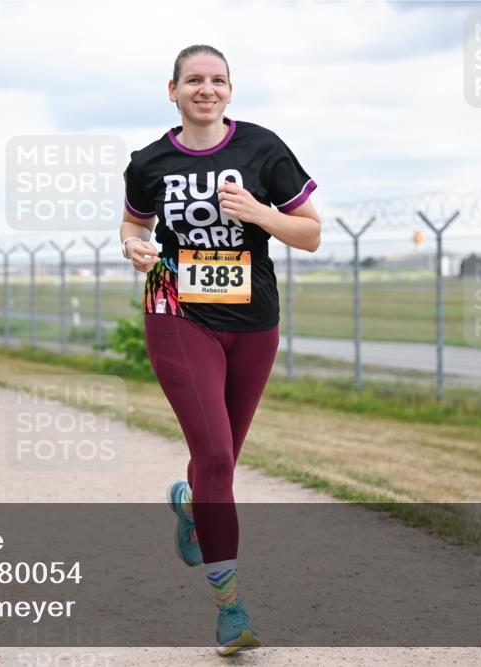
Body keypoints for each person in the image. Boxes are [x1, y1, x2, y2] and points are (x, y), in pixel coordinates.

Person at [121, 45, 320, 656]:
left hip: (254, 319)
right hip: (177, 312)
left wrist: (261, 212)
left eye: (217, 80)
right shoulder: (148, 161)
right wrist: (134, 247)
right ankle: (230, 608)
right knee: (212, 453)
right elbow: (134, 225)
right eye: (193, 81)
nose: (205, 89)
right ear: (173, 89)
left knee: (222, 460)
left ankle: (188, 502)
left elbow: (310, 234)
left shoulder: (263, 149)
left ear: (230, 90)